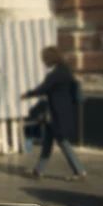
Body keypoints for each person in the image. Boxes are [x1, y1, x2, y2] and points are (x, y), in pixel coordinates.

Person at [22, 46, 86, 180]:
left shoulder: (57, 74)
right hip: (59, 112)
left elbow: (44, 88)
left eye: (44, 58)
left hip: (58, 113)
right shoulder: (65, 71)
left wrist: (28, 94)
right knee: (47, 141)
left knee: (63, 142)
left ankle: (79, 171)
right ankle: (39, 169)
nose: (43, 61)